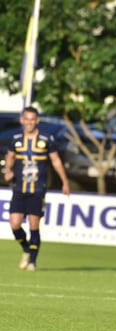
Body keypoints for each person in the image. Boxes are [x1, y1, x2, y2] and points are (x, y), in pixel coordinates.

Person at [3, 106, 71, 271]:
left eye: (32, 120)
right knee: (15, 224)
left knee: (34, 224)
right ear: (22, 120)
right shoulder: (16, 139)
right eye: (26, 119)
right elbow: (10, 156)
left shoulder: (47, 139)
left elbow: (55, 161)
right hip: (19, 188)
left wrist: (65, 181)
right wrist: (8, 170)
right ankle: (26, 248)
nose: (29, 123)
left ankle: (32, 261)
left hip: (38, 189)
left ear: (37, 121)